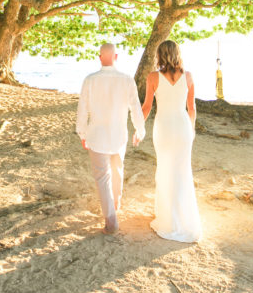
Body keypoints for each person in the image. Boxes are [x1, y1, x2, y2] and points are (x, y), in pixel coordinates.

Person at [76, 43, 145, 235]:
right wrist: (140, 130)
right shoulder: (126, 80)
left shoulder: (90, 80)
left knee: (102, 178)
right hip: (118, 135)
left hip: (97, 136)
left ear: (100, 57)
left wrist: (82, 132)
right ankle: (116, 204)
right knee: (117, 171)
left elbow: (82, 109)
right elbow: (135, 108)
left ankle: (111, 221)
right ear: (116, 56)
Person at [141, 40, 202, 243]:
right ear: (177, 54)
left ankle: (167, 217)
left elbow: (147, 107)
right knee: (182, 171)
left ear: (160, 55)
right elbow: (191, 108)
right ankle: (183, 218)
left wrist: (138, 126)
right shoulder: (189, 76)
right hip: (183, 127)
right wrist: (191, 129)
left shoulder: (153, 77)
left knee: (165, 169)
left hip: (164, 127)